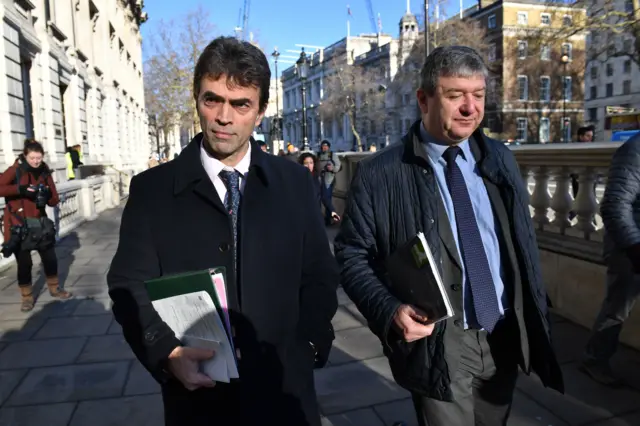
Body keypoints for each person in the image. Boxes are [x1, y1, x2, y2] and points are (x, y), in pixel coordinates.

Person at [107, 36, 338, 426]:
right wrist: (166, 352)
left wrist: (311, 344)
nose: (223, 117)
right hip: (198, 399)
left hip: (285, 393)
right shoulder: (152, 191)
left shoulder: (296, 182)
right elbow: (129, 285)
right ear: (196, 99)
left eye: (240, 104)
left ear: (261, 110)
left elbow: (319, 274)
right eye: (212, 100)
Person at [334, 46, 564, 426]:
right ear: (424, 100)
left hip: (504, 333)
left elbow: (519, 244)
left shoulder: (500, 158)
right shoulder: (381, 173)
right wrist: (390, 310)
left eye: (478, 95)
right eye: (455, 95)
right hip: (439, 344)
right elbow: (352, 255)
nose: (470, 108)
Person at [580, 133, 640, 386]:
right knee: (617, 309)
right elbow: (615, 204)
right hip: (630, 246)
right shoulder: (634, 149)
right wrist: (635, 246)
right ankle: (595, 360)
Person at [0, 139, 71, 311]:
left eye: (38, 158)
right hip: (19, 224)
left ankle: (55, 289)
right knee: (24, 264)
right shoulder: (15, 170)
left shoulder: (45, 171)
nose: (36, 161)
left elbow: (54, 199)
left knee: (50, 258)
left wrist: (46, 196)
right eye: (32, 158)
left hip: (40, 223)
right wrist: (20, 190)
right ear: (25, 156)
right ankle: (27, 298)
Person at [298, 152, 340, 223]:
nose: (309, 166)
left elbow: (325, 196)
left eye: (311, 163)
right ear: (301, 164)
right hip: (300, 217)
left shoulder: (318, 178)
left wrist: (332, 211)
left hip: (315, 216)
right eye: (306, 163)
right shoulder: (296, 178)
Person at [317, 140, 341, 225]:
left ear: (329, 147)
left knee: (327, 199)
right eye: (323, 146)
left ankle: (329, 219)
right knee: (318, 200)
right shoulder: (318, 155)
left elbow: (338, 166)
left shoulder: (332, 155)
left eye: (326, 146)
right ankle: (319, 219)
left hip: (328, 180)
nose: (324, 147)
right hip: (319, 180)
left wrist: (332, 168)